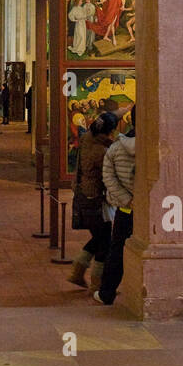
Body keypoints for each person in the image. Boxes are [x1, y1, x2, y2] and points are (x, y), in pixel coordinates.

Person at [68, 112, 117, 291]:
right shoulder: (101, 152)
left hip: (83, 195)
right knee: (105, 241)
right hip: (96, 198)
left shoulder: (87, 139)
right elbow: (109, 177)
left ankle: (77, 272)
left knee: (99, 237)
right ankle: (98, 283)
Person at [95, 123, 136, 306]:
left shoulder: (116, 147)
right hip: (153, 210)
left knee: (117, 251)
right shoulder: (158, 146)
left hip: (126, 209)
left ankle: (107, 292)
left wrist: (127, 199)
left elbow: (108, 177)